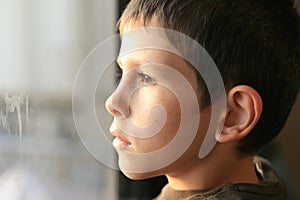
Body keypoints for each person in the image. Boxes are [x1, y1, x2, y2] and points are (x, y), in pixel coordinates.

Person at [105, 0, 300, 199]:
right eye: (121, 73)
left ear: (232, 115)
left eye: (147, 78)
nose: (113, 102)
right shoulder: (264, 179)